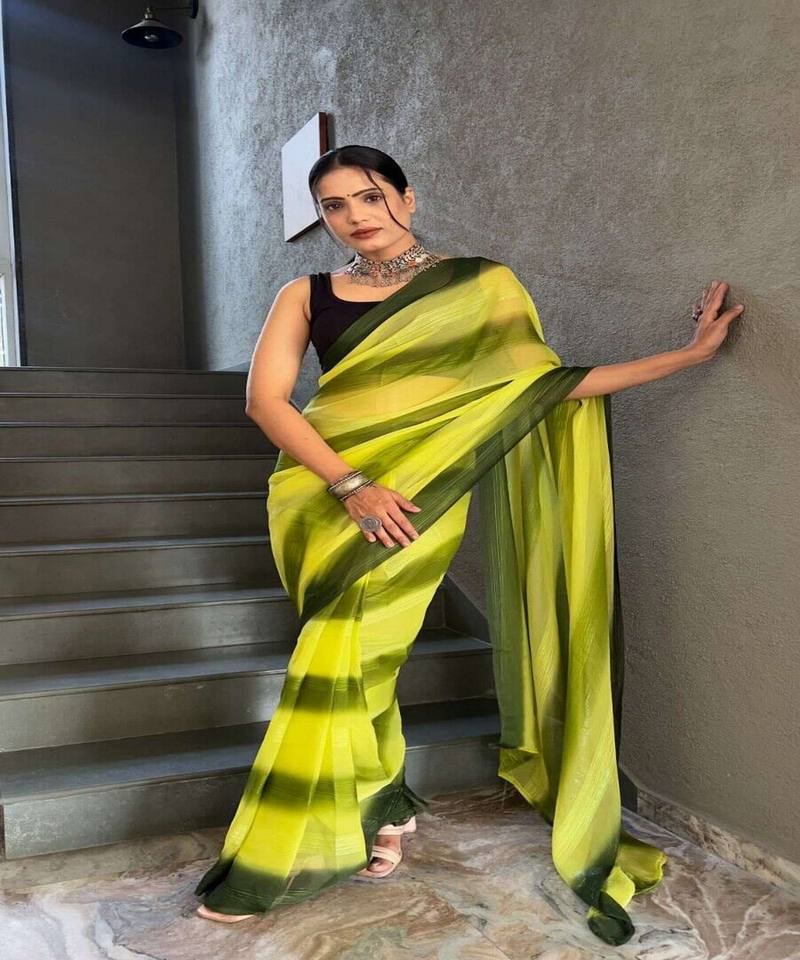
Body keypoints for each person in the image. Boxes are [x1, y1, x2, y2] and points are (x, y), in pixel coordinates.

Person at [193, 145, 744, 945]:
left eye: (370, 196)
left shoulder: (479, 286)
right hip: (319, 496)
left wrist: (686, 356)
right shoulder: (305, 293)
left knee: (339, 656)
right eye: (335, 205)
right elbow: (265, 400)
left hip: (421, 499)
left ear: (408, 198)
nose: (355, 216)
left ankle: (275, 855)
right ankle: (384, 805)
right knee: (355, 661)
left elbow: (542, 389)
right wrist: (350, 486)